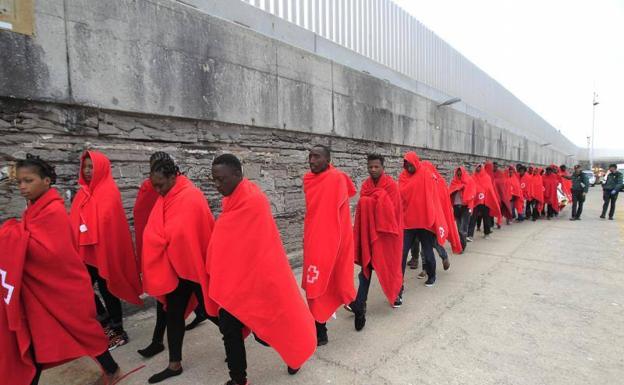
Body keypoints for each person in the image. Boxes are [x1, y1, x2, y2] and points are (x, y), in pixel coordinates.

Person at [1, 155, 122, 385]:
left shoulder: (52, 212)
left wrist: (10, 234)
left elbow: (49, 254)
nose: (23, 187)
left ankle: (112, 369)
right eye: (19, 182)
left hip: (64, 286)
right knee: (35, 341)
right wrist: (16, 234)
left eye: (29, 180)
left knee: (84, 332)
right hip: (42, 289)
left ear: (46, 181)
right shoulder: (33, 209)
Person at [206, 154, 317, 385]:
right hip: (233, 283)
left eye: (221, 179)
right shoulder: (231, 201)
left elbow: (261, 247)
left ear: (237, 174)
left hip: (258, 280)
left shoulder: (253, 201)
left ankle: (293, 353)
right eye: (214, 180)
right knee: (229, 330)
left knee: (266, 332)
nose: (217, 185)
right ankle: (238, 379)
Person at [141, 157, 217, 383]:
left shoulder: (190, 196)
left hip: (196, 268)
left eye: (160, 185)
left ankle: (251, 338)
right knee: (173, 315)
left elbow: (188, 234)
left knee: (216, 314)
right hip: (176, 270)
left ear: (173, 177)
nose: (157, 190)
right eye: (154, 185)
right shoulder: (166, 197)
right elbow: (156, 229)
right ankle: (174, 365)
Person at [69, 150, 143, 350]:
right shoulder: (81, 193)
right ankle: (105, 323)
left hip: (104, 252)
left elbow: (109, 226)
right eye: (84, 167)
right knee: (81, 290)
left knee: (107, 289)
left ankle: (118, 331)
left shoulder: (108, 192)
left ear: (101, 168)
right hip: (84, 253)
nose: (87, 171)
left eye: (91, 166)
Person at [302, 145, 356, 346]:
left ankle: (358, 309)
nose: (312, 161)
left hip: (335, 240)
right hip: (313, 239)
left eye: (316, 157)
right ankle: (320, 332)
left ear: (327, 160)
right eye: (310, 157)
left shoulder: (337, 179)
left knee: (339, 285)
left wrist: (338, 243)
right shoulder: (308, 180)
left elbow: (340, 215)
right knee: (314, 285)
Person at [350, 154, 403, 331]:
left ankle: (396, 293)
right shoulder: (365, 185)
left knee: (390, 267)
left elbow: (393, 212)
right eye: (370, 167)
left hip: (387, 235)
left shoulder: (391, 186)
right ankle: (360, 303)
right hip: (369, 234)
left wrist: (374, 201)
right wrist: (372, 201)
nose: (373, 169)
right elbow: (363, 208)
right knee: (366, 270)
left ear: (383, 167)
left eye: (376, 167)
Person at [399, 152, 459, 293]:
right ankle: (398, 280)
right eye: (406, 164)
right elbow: (400, 194)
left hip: (425, 221)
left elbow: (435, 191)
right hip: (408, 222)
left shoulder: (426, 174)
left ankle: (432, 276)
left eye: (410, 164)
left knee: (427, 250)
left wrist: (435, 215)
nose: (408, 167)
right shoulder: (403, 177)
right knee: (402, 252)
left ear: (415, 162)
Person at [469, 164, 502, 239]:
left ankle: (487, 233)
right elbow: (471, 187)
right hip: (475, 201)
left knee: (486, 217)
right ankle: (470, 235)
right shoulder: (472, 177)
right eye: (477, 167)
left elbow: (489, 188)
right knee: (473, 218)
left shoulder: (487, 178)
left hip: (485, 201)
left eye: (480, 167)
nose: (478, 169)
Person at [449, 166, 476, 249]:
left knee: (463, 229)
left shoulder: (469, 181)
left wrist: (462, 188)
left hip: (466, 207)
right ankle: (460, 243)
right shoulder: (454, 182)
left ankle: (462, 246)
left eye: (460, 174)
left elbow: (472, 193)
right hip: (457, 207)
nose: (459, 176)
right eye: (458, 174)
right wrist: (457, 188)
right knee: (458, 229)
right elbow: (449, 192)